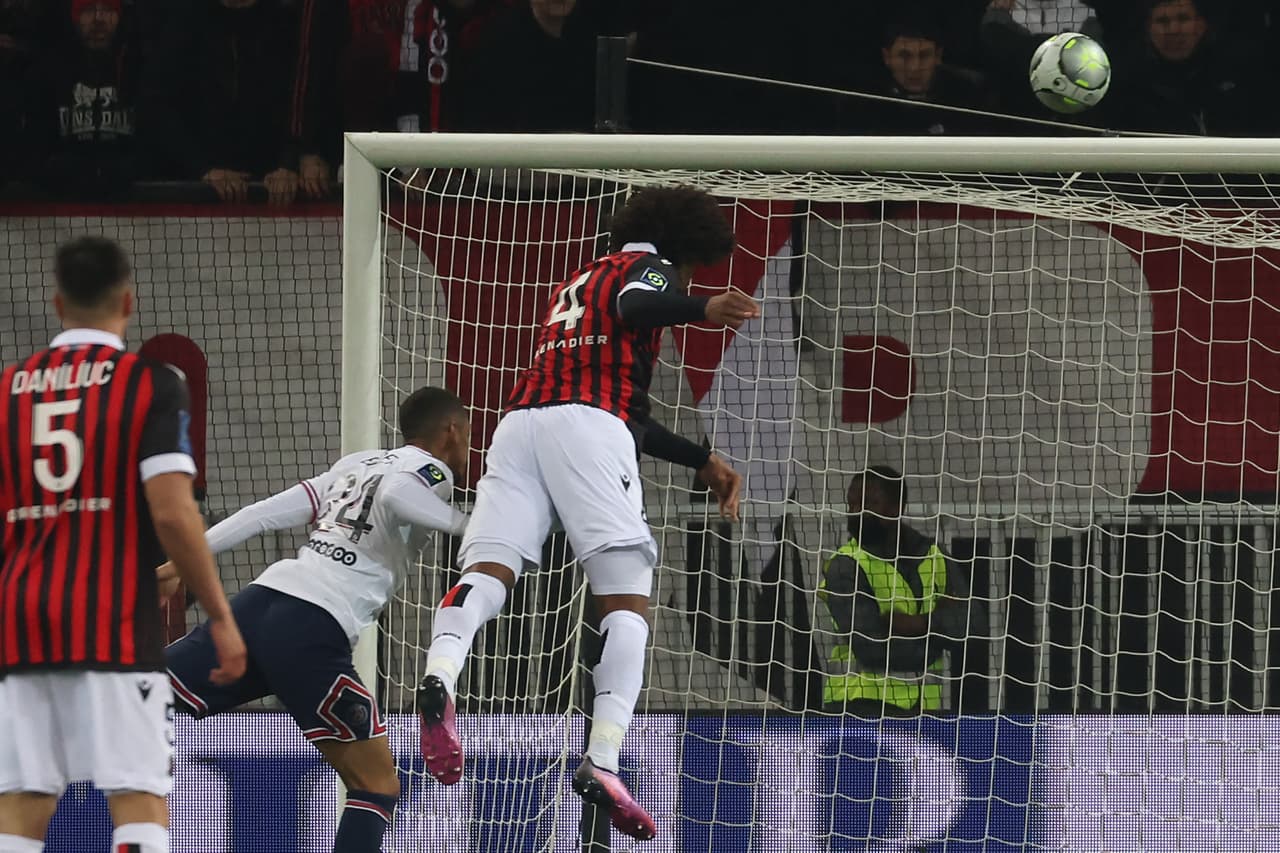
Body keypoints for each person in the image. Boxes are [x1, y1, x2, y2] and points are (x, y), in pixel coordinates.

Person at [415, 186, 755, 840]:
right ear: (679, 251)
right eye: (692, 270)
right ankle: (602, 758)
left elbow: (625, 406)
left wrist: (701, 458)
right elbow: (640, 306)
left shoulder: (578, 280)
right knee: (627, 603)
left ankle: (439, 673)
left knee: (488, 571)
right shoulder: (647, 269)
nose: (688, 280)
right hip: (588, 430)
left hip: (518, 428)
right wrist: (700, 307)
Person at [0, 236, 247, 853]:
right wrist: (220, 615)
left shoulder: (8, 390)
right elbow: (171, 510)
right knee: (137, 795)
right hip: (111, 621)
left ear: (57, 304)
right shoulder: (148, 383)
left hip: (20, 622)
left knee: (24, 800)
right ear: (128, 302)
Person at [161, 386, 471, 853]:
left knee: (137, 695)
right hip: (312, 628)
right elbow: (398, 494)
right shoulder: (434, 472)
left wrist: (181, 561)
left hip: (260, 603)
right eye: (468, 434)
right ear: (452, 431)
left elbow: (260, 515)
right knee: (376, 785)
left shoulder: (356, 463)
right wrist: (467, 524)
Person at [818, 467, 977, 717]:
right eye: (852, 504)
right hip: (857, 706)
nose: (857, 512)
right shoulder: (845, 564)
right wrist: (939, 634)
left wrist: (919, 624)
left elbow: (973, 626)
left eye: (870, 503)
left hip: (925, 709)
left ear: (897, 507)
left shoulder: (935, 555)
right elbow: (871, 648)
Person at [22, 0, 140, 199]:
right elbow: (33, 149)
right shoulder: (47, 73)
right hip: (58, 204)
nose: (98, 19)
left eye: (107, 10)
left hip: (133, 203)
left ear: (120, 16)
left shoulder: (139, 69)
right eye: (88, 10)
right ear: (74, 17)